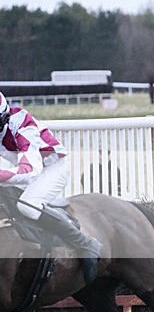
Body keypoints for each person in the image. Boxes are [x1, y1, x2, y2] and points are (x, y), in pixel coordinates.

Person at [0, 91, 102, 283]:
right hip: (29, 169)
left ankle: (86, 243)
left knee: (27, 206)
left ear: (4, 118)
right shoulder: (3, 121)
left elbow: (29, 169)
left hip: (52, 168)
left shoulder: (23, 126)